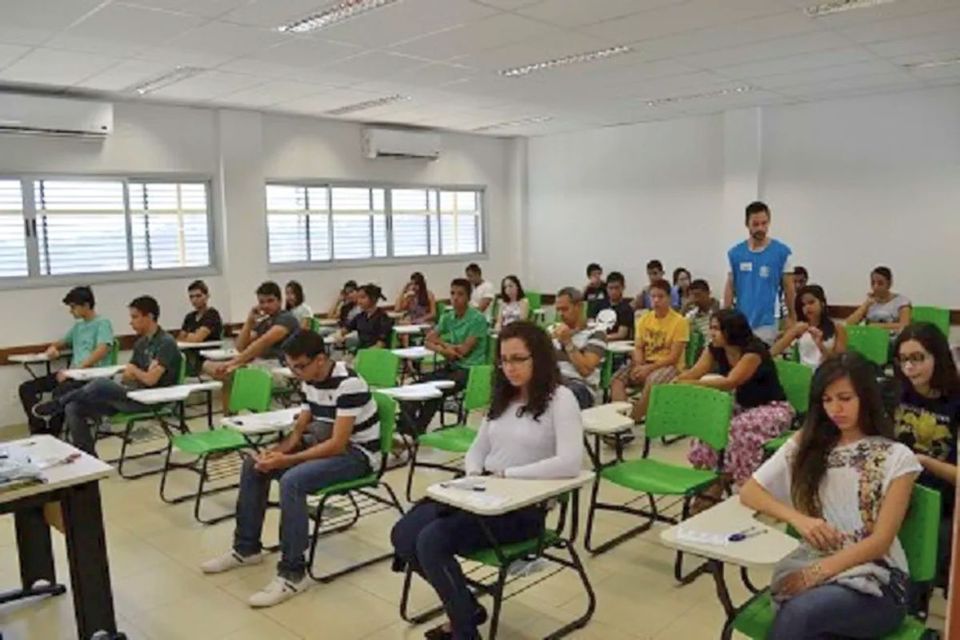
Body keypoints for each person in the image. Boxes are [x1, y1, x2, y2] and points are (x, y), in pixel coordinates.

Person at [390, 321, 584, 640]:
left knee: (431, 541)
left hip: (522, 508)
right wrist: (473, 476)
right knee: (403, 534)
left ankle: (464, 631)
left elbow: (570, 462)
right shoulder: (504, 397)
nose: (510, 367)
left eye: (518, 359)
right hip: (482, 493)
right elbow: (478, 449)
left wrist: (506, 476)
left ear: (539, 358)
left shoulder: (561, 399)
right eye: (504, 360)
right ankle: (465, 608)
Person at [740, 353, 919, 640]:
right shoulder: (808, 443)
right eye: (827, 400)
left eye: (845, 398)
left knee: (800, 614)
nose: (835, 409)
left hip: (877, 580)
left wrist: (816, 574)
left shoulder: (898, 457)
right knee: (806, 625)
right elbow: (750, 492)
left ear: (866, 397)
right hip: (815, 560)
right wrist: (799, 519)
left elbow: (880, 542)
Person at [200, 331, 381, 608]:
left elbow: (337, 445)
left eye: (300, 366)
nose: (296, 373)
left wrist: (286, 461)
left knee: (293, 481)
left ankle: (293, 573)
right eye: (292, 367)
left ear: (320, 359)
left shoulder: (349, 384)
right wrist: (277, 452)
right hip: (326, 443)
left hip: (358, 455)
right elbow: (299, 431)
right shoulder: (310, 379)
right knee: (254, 464)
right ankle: (246, 549)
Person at [33, 296, 182, 456]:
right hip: (131, 394)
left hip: (151, 400)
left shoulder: (166, 342)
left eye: (135, 317)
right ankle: (89, 457)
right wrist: (136, 373)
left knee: (101, 383)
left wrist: (135, 371)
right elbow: (126, 377)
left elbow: (151, 380)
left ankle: (58, 403)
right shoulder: (141, 343)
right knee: (73, 407)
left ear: (150, 316)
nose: (131, 322)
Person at [681, 309, 794, 490]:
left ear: (731, 330)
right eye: (711, 328)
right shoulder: (714, 349)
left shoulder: (754, 351)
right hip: (742, 405)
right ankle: (709, 478)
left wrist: (690, 384)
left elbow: (730, 382)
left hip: (772, 408)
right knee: (710, 425)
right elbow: (695, 372)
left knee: (737, 428)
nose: (712, 333)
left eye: (716, 329)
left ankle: (741, 481)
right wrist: (678, 381)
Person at [892, 322, 958, 588]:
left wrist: (925, 462)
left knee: (926, 554)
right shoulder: (896, 392)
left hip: (943, 502)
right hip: (898, 490)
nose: (909, 367)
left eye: (918, 358)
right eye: (904, 359)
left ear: (937, 357)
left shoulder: (956, 401)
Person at [19, 286, 114, 436]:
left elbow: (103, 349)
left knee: (61, 391)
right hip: (72, 374)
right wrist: (52, 348)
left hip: (89, 377)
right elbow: (62, 342)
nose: (71, 311)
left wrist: (76, 370)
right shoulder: (78, 327)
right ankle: (40, 429)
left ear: (86, 305)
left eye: (73, 307)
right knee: (26, 388)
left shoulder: (102, 323)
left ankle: (53, 433)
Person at [405, 279, 488, 433]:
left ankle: (416, 430)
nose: (455, 298)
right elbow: (428, 340)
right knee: (413, 387)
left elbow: (462, 352)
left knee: (436, 390)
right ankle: (407, 427)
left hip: (469, 370)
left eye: (460, 294)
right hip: (451, 367)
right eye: (452, 293)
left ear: (468, 297)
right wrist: (445, 348)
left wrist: (441, 344)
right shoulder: (448, 317)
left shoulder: (477, 319)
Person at [203, 282, 299, 412]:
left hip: (279, 367)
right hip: (261, 364)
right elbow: (240, 347)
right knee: (208, 365)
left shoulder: (286, 319)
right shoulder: (265, 322)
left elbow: (262, 343)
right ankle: (232, 415)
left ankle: (233, 414)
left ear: (280, 301)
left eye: (270, 301)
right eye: (262, 302)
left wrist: (233, 363)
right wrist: (249, 321)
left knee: (229, 372)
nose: (266, 305)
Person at [611, 279, 688, 423]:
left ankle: (633, 419)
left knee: (653, 381)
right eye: (653, 296)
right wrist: (640, 365)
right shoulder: (644, 319)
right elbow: (639, 347)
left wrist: (648, 369)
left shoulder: (680, 322)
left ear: (669, 298)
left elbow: (674, 357)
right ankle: (620, 418)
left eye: (660, 296)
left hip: (669, 366)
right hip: (645, 362)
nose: (656, 300)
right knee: (616, 379)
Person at [724, 201, 795, 345]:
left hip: (768, 320)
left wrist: (792, 317)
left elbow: (789, 288)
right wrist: (725, 316)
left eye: (764, 223)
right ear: (747, 224)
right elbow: (730, 285)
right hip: (741, 320)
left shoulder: (782, 252)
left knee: (760, 356)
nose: (760, 228)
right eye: (755, 224)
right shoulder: (735, 254)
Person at [551, 287, 605, 409]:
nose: (560, 314)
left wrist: (568, 342)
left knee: (563, 396)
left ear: (579, 307)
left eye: (565, 309)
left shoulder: (596, 333)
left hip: (581, 387)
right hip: (554, 382)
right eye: (558, 310)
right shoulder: (553, 331)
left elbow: (585, 371)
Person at [772, 285, 847, 368]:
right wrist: (791, 332)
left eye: (811, 302)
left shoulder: (837, 328)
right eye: (803, 305)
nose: (807, 307)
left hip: (827, 372)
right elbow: (774, 351)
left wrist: (820, 345)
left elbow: (839, 361)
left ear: (822, 303)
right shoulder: (800, 328)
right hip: (804, 372)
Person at [845, 266, 912, 333]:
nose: (875, 287)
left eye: (880, 283)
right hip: (871, 337)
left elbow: (905, 325)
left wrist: (877, 326)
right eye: (873, 283)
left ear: (889, 284)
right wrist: (865, 305)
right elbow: (848, 324)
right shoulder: (870, 303)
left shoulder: (902, 302)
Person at [179, 279, 224, 376]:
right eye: (191, 297)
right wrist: (191, 336)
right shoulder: (189, 317)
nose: (194, 300)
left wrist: (190, 336)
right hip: (189, 354)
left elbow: (197, 339)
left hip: (207, 356)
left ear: (207, 296)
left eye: (198, 296)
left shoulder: (212, 314)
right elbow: (180, 338)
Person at [335, 283, 394, 350]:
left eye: (363, 298)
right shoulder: (360, 317)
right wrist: (339, 335)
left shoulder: (383, 318)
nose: (359, 301)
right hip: (361, 350)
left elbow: (381, 344)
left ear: (373, 299)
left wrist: (364, 354)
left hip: (375, 353)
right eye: (358, 298)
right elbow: (345, 329)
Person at [596, 271, 633, 342]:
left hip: (617, 343)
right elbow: (591, 323)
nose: (613, 292)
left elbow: (621, 334)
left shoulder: (626, 308)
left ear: (623, 288)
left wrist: (601, 338)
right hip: (598, 340)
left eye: (617, 288)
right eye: (610, 288)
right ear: (606, 288)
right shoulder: (599, 304)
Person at [685, 279, 720, 352]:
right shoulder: (692, 315)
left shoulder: (721, 307)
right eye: (693, 296)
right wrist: (685, 306)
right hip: (703, 351)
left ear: (708, 293)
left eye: (698, 295)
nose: (696, 299)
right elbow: (679, 328)